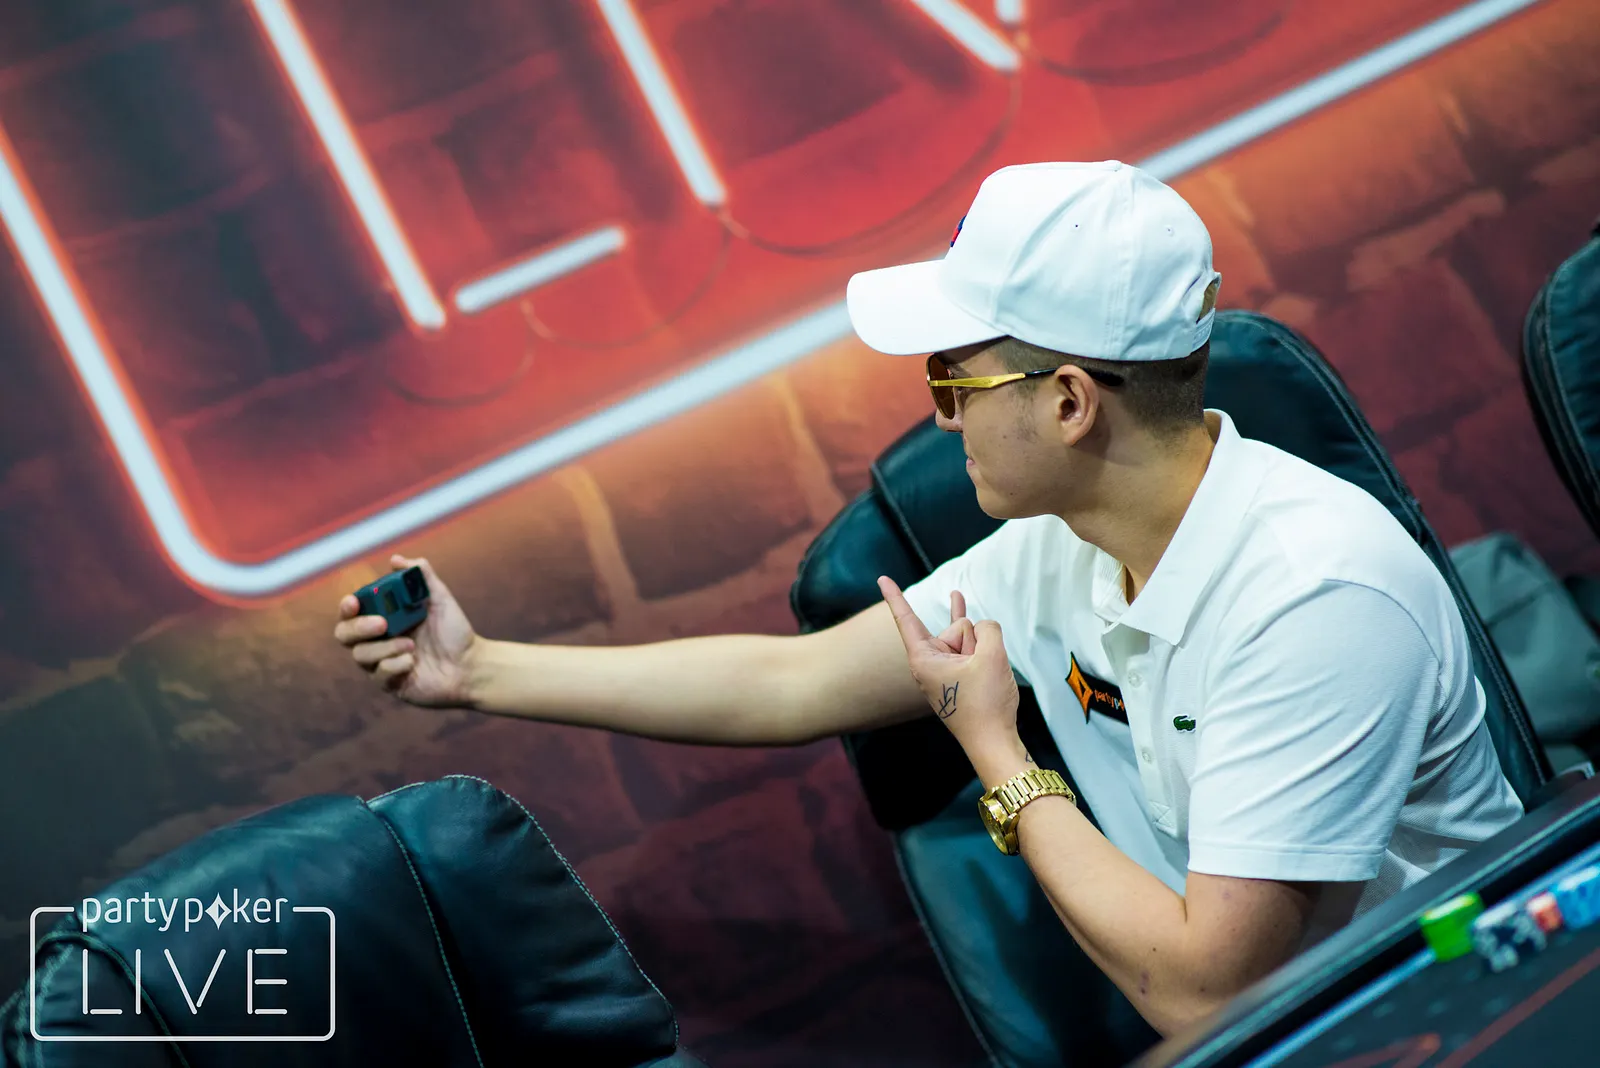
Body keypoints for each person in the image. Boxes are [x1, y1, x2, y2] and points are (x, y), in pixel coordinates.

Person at [333, 161, 1524, 1053]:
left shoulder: (1308, 595)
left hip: (1470, 1015)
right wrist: (478, 670)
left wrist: (997, 749)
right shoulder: (1056, 548)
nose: (940, 413)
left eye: (954, 377)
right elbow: (791, 680)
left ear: (1069, 402)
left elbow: (1207, 988)